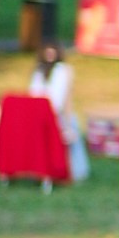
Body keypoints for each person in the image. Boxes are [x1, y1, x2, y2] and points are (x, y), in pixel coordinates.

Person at [28, 40, 88, 182]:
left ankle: (77, 172)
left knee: (71, 139)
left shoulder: (63, 71)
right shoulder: (39, 71)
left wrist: (67, 120)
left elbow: (66, 97)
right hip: (41, 114)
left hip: (60, 113)